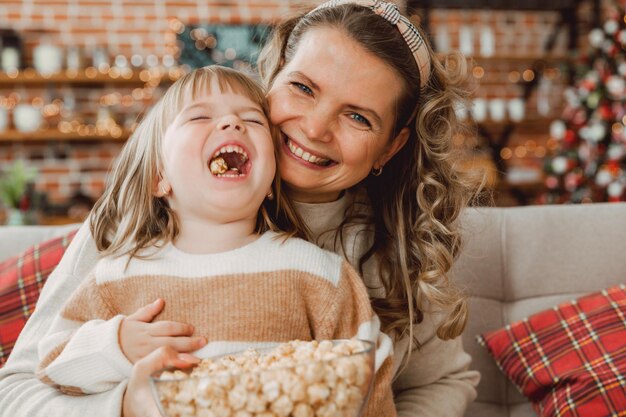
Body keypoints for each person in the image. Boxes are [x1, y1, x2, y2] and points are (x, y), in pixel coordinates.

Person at [0, 2, 481, 417]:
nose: (315, 128)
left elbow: (441, 382)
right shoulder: (140, 217)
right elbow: (18, 392)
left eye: (357, 116)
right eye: (303, 88)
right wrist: (125, 404)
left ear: (389, 148)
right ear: (269, 80)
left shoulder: (394, 248)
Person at [34, 65, 396, 416]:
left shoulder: (321, 275)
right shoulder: (115, 277)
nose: (231, 123)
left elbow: (370, 383)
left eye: (252, 120)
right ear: (159, 176)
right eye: (199, 117)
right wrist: (115, 346)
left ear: (272, 179)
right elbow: (52, 365)